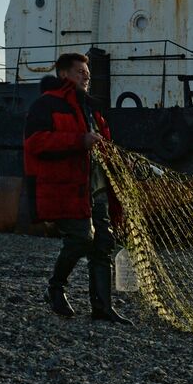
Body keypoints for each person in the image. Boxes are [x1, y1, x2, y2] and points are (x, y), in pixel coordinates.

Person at [23, 52, 131, 323]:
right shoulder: (45, 105)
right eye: (80, 72)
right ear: (63, 75)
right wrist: (78, 141)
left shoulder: (93, 110)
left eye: (88, 73)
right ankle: (56, 286)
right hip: (68, 188)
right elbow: (35, 143)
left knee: (104, 243)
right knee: (81, 238)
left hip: (97, 188)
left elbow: (103, 147)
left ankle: (103, 309)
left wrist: (117, 161)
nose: (87, 76)